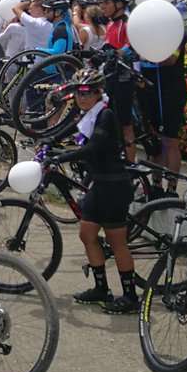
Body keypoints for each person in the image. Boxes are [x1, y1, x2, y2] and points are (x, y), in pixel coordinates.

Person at [48, 67, 139, 314]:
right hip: (99, 184)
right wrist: (49, 140)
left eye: (88, 92)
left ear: (99, 93)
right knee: (87, 234)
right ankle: (101, 289)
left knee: (116, 241)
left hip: (114, 184)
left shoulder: (106, 115)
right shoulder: (86, 114)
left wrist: (62, 156)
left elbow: (94, 148)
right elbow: (67, 129)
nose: (82, 97)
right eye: (78, 92)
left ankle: (130, 296)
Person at [138, 30, 187, 197]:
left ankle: (171, 188)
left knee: (170, 140)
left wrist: (146, 55)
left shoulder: (177, 33)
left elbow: (171, 59)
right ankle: (156, 185)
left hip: (171, 92)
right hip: (148, 89)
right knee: (153, 140)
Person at [95, 0, 138, 161]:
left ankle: (130, 164)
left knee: (125, 124)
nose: (102, 6)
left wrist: (118, 52)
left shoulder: (128, 24)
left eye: (106, 2)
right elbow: (107, 46)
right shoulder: (111, 23)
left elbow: (133, 48)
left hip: (123, 78)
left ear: (119, 4)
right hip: (109, 76)